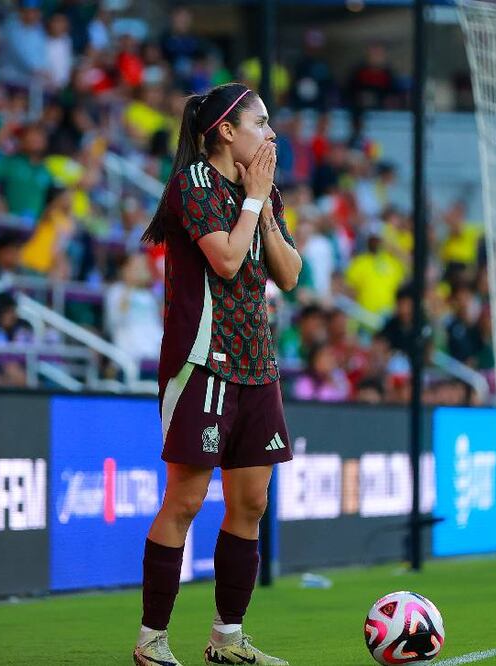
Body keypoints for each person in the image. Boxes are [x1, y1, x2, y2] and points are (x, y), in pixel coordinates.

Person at [135, 82, 300, 666]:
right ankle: (151, 640)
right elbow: (226, 260)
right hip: (203, 360)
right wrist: (254, 201)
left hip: (257, 364)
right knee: (185, 500)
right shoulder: (193, 183)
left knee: (251, 503)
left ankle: (226, 638)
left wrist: (264, 208)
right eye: (261, 122)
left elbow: (289, 274)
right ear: (227, 131)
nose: (271, 133)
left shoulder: (263, 190)